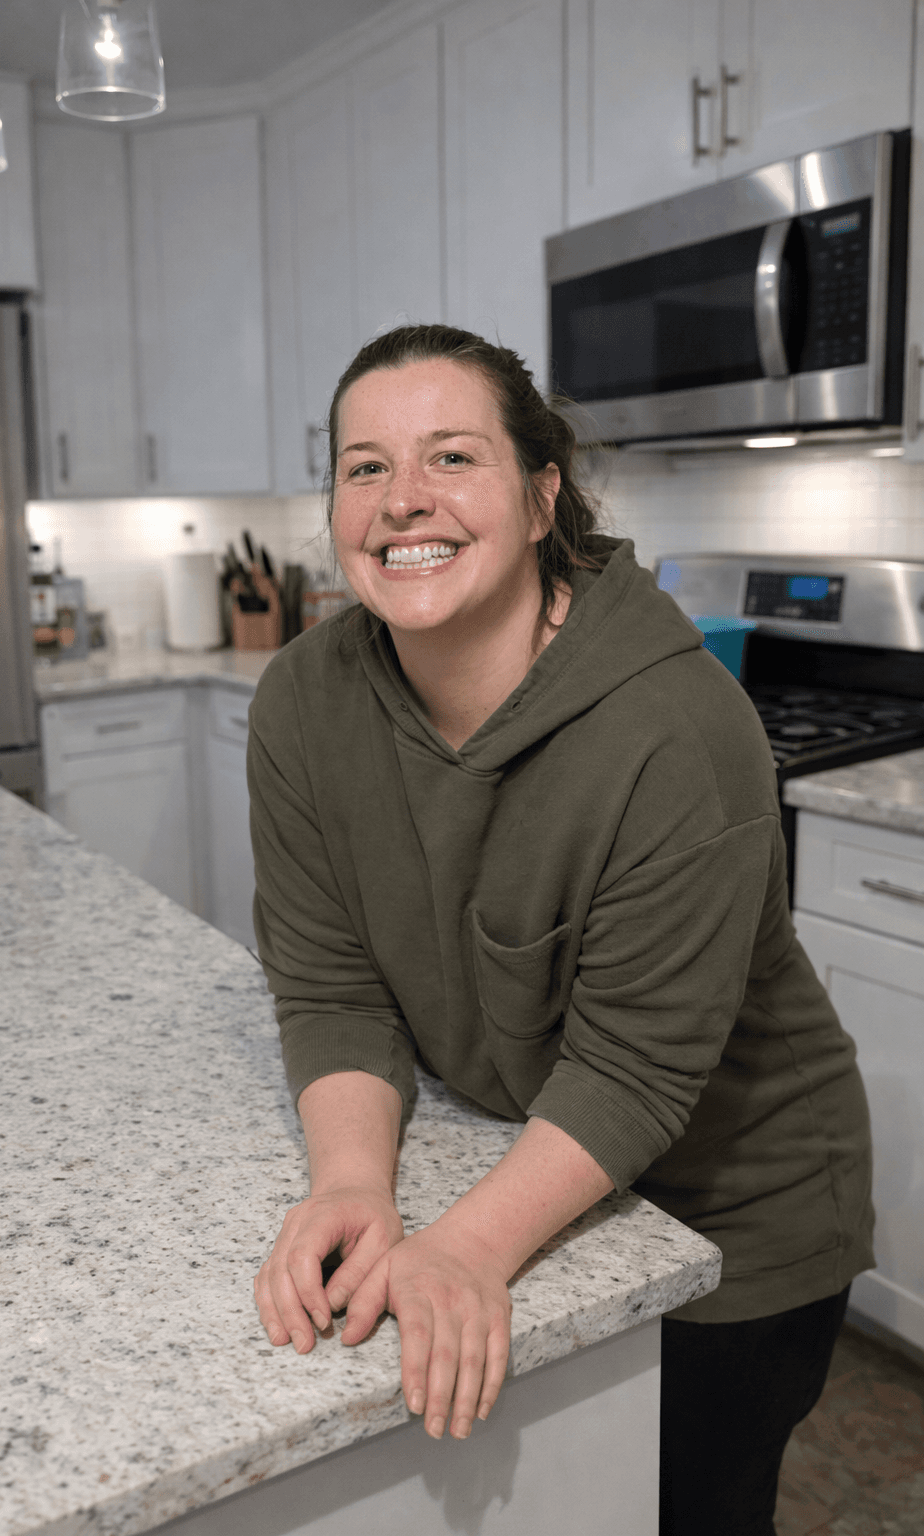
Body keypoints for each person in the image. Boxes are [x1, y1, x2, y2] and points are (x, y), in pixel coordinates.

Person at [248, 324, 874, 1535]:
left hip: (737, 1213)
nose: (402, 500)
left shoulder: (678, 730)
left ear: (541, 498)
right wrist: (349, 1183)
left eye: (451, 458)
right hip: (535, 1156)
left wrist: (466, 1248)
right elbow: (331, 982)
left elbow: (634, 1066)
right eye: (363, 467)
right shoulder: (303, 702)